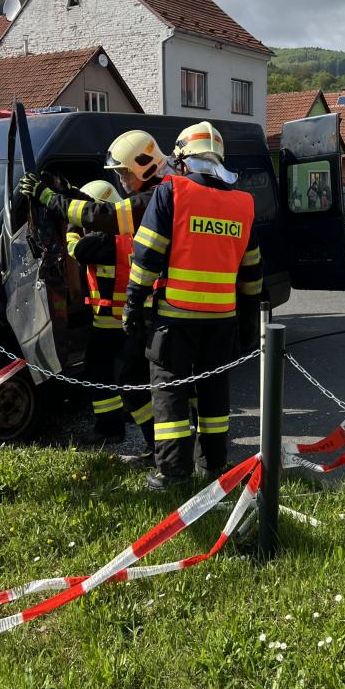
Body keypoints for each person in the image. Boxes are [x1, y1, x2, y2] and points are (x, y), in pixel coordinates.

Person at [122, 121, 263, 491]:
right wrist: (250, 323)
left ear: (183, 159)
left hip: (175, 318)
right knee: (214, 393)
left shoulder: (172, 191)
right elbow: (252, 273)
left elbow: (147, 254)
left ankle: (172, 473)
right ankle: (213, 465)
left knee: (170, 391)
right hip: (223, 321)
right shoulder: (243, 203)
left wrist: (133, 303)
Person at [66, 180, 154, 453]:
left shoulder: (101, 239)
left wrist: (72, 226)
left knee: (99, 372)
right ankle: (132, 423)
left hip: (108, 322)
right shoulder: (131, 233)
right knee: (131, 377)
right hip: (133, 320)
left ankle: (110, 428)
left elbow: (76, 250)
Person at [19, 130, 171, 237]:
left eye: (124, 172)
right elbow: (106, 211)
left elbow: (105, 216)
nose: (121, 179)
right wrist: (72, 194)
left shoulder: (157, 199)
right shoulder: (162, 192)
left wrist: (49, 199)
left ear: (145, 167)